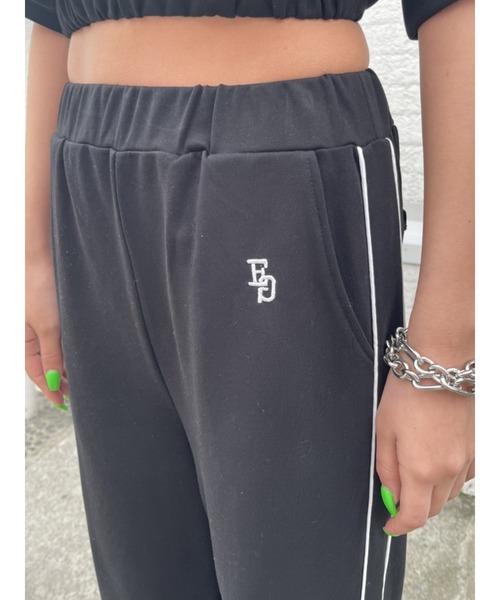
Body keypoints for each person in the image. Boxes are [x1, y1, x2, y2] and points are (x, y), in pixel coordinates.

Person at [25, 1, 475, 598]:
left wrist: (443, 363)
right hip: (86, 178)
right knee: (143, 577)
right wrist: (34, 254)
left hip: (277, 165)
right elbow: (49, 16)